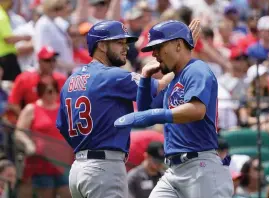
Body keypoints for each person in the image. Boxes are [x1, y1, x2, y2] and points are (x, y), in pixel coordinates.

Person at [55, 19, 204, 198]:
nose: (125, 47)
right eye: (119, 42)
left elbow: (62, 126)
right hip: (104, 168)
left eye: (126, 42)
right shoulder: (111, 76)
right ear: (101, 45)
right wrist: (183, 54)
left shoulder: (70, 81)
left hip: (78, 169)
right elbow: (160, 85)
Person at [114, 20, 233, 198]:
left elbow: (197, 110)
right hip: (174, 169)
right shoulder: (174, 79)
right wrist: (146, 78)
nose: (154, 54)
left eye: (158, 47)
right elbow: (145, 109)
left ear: (178, 44)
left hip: (200, 167)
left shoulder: (197, 69)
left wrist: (156, 115)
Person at [15, 78, 71, 198]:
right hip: (42, 162)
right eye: (48, 91)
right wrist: (28, 144)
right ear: (41, 92)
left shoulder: (63, 108)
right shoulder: (31, 109)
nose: (52, 94)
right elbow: (19, 132)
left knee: (68, 193)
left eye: (54, 90)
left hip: (63, 161)